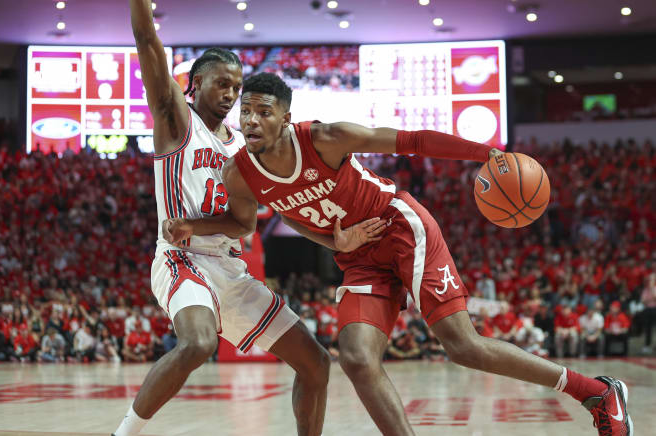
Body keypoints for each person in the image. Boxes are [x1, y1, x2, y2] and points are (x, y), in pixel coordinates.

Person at [167, 72, 633, 436]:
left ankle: (595, 393)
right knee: (355, 356)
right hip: (360, 255)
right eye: (245, 111)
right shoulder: (240, 174)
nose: (249, 120)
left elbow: (411, 141)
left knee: (461, 346)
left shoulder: (327, 137)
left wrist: (485, 153)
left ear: (284, 118)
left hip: (400, 227)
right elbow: (274, 217)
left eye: (262, 112)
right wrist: (334, 243)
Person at [117, 3, 376, 435]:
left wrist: (335, 244)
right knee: (198, 342)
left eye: (236, 87)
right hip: (181, 261)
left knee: (316, 363)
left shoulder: (245, 149)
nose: (230, 94)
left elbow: (244, 225)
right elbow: (147, 42)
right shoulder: (175, 119)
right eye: (221, 83)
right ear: (195, 84)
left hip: (229, 269)